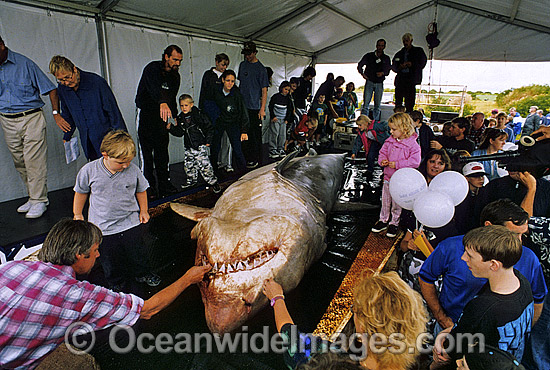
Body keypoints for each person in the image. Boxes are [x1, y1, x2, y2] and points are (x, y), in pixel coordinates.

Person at [0, 218, 211, 369]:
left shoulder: (11, 267)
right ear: (79, 255)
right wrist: (188, 278)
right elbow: (148, 309)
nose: (99, 255)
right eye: (95, 250)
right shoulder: (78, 295)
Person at [419, 199, 546, 336]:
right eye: (513, 234)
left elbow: (538, 298)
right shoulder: (450, 248)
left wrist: (519, 332)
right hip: (451, 329)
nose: (519, 242)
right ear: (488, 226)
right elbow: (426, 277)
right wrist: (441, 318)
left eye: (522, 235)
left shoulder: (529, 258)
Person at [262, 271, 428, 370]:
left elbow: (292, 340)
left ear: (363, 325)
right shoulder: (417, 363)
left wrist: (277, 298)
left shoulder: (330, 361)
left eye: (354, 310)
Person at [431, 226, 534, 368]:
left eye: (470, 255)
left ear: (493, 265)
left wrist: (440, 342)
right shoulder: (522, 282)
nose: (463, 258)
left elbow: (450, 350)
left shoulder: (482, 308)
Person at [73, 130, 160, 291]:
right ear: (105, 155)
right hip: (103, 227)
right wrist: (78, 214)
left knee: (138, 252)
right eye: (121, 162)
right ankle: (116, 282)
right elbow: (81, 192)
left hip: (130, 222)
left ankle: (143, 273)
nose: (125, 165)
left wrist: (144, 210)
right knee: (109, 259)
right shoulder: (89, 171)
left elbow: (141, 190)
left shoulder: (133, 170)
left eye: (128, 161)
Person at [0, 35, 60, 219]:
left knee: (34, 161)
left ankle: (39, 199)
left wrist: (56, 114)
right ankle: (34, 197)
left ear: (2, 46)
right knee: (20, 161)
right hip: (7, 119)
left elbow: (51, 89)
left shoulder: (24, 63)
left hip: (31, 117)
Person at [398, 149, 456, 292]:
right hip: (410, 266)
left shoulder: (448, 224)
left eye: (440, 163)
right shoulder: (415, 216)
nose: (435, 166)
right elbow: (403, 245)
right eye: (432, 161)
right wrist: (409, 244)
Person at [49, 55, 126, 161]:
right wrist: (67, 136)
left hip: (107, 138)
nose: (66, 82)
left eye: (67, 77)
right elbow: (68, 114)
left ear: (74, 69)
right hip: (87, 141)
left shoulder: (97, 82)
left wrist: (122, 139)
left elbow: (113, 112)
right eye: (61, 80)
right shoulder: (62, 89)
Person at [135, 44, 182, 199]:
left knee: (162, 153)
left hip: (162, 116)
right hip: (147, 114)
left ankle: (164, 183)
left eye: (180, 61)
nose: (178, 63)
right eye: (175, 59)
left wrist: (174, 115)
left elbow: (172, 98)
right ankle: (148, 187)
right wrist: (162, 101)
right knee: (147, 155)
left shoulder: (175, 76)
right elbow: (153, 88)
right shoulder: (152, 69)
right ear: (166, 57)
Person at [372, 113, 421, 238]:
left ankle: (394, 222)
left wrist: (397, 164)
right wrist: (382, 160)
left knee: (397, 203)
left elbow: (415, 162)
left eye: (394, 129)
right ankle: (383, 220)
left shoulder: (413, 145)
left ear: (404, 128)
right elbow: (382, 153)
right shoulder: (389, 142)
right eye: (391, 129)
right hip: (388, 178)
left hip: (401, 182)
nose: (390, 131)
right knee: (385, 200)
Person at [167, 94, 220, 193]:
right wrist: (171, 129)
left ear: (191, 104)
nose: (183, 108)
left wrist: (208, 141)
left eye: (186, 105)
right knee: (189, 166)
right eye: (181, 105)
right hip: (188, 147)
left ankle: (214, 183)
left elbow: (209, 128)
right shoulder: (180, 118)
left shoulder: (199, 115)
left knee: (205, 166)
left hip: (199, 146)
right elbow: (180, 132)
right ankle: (191, 181)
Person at [198, 52, 234, 173]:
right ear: (217, 62)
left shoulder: (227, 76)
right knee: (212, 138)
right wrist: (201, 110)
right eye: (223, 64)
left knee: (224, 138)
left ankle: (224, 162)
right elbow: (203, 92)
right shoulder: (208, 75)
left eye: (226, 65)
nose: (224, 67)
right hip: (210, 109)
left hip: (223, 110)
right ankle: (213, 163)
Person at [238, 41, 269, 169]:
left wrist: (262, 108)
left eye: (250, 54)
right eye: (245, 54)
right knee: (243, 134)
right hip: (242, 106)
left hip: (254, 107)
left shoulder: (261, 69)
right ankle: (246, 158)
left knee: (254, 135)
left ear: (255, 52)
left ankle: (256, 159)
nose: (247, 56)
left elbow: (264, 90)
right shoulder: (242, 65)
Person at [211, 69, 249, 173]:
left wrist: (244, 130)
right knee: (215, 148)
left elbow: (243, 112)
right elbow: (209, 106)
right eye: (228, 80)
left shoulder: (237, 94)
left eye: (232, 81)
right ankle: (213, 172)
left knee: (237, 149)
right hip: (219, 122)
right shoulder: (216, 92)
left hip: (233, 123)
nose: (230, 83)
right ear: (223, 80)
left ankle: (244, 173)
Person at [391, 33, 427, 112]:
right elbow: (393, 66)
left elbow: (422, 63)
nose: (405, 43)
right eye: (404, 41)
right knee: (398, 101)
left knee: (409, 102)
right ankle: (398, 118)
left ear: (411, 41)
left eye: (407, 41)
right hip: (400, 79)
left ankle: (409, 118)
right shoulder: (399, 53)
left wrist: (412, 64)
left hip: (411, 79)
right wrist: (399, 67)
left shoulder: (418, 51)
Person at [357, 39, 391, 120]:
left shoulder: (386, 58)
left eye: (382, 46)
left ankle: (375, 123)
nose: (380, 47)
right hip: (370, 81)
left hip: (379, 82)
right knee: (366, 104)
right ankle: (363, 121)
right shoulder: (369, 56)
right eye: (379, 45)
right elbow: (360, 65)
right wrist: (363, 74)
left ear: (384, 47)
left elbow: (388, 70)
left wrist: (382, 73)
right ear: (376, 46)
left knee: (377, 105)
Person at [454, 162, 487, 235]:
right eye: (476, 176)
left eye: (482, 176)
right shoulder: (460, 195)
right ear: (466, 178)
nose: (481, 179)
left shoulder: (487, 192)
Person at [268, 81, 293, 159]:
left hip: (283, 119)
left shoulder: (288, 99)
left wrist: (287, 119)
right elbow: (270, 107)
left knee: (282, 134)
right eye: (285, 89)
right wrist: (273, 117)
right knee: (274, 133)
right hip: (275, 119)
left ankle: (280, 148)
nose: (286, 91)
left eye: (288, 90)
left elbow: (290, 109)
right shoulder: (275, 97)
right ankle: (272, 149)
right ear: (281, 88)